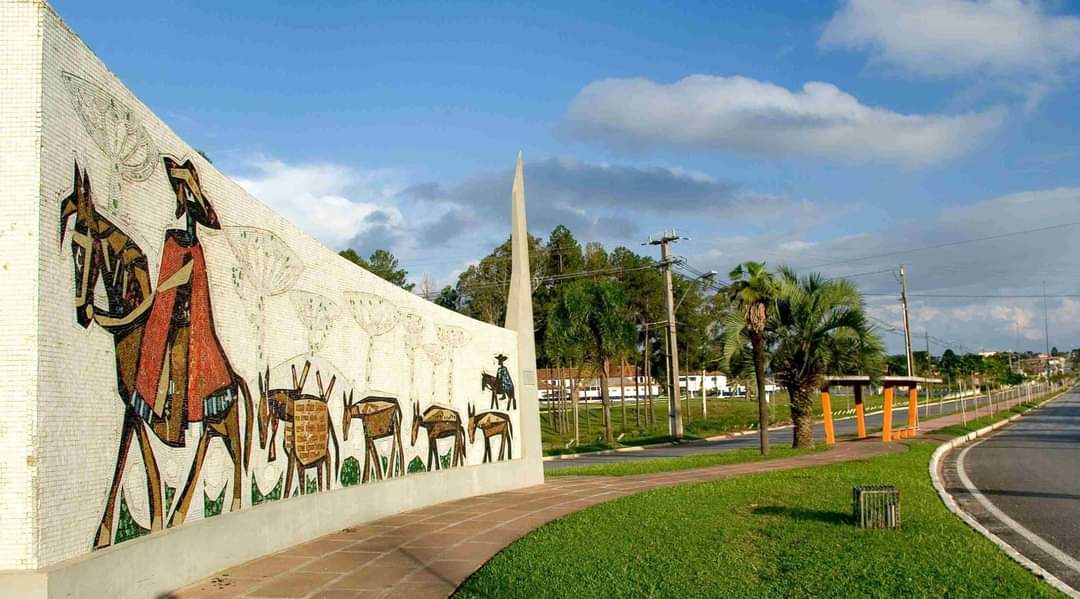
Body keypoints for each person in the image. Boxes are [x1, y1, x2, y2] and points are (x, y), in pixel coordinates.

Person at [131, 157, 233, 445]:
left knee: (194, 350)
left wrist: (192, 185)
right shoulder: (168, 217)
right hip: (171, 284)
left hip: (185, 292)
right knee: (156, 345)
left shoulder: (190, 217)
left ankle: (185, 417)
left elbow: (212, 221)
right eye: (180, 184)